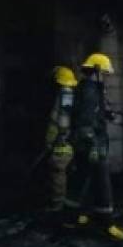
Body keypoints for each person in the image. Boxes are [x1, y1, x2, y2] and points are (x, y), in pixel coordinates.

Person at [63, 53, 123, 241]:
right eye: (105, 73)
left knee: (79, 179)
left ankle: (71, 218)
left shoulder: (89, 88)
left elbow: (97, 112)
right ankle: (106, 223)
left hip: (84, 143)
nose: (107, 76)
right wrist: (92, 144)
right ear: (97, 71)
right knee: (102, 183)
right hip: (92, 144)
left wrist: (113, 116)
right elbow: (85, 121)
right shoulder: (90, 91)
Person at [45, 66, 77, 211]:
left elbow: (60, 120)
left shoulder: (65, 95)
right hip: (69, 140)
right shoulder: (72, 94)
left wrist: (54, 139)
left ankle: (57, 206)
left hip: (62, 141)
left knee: (58, 172)